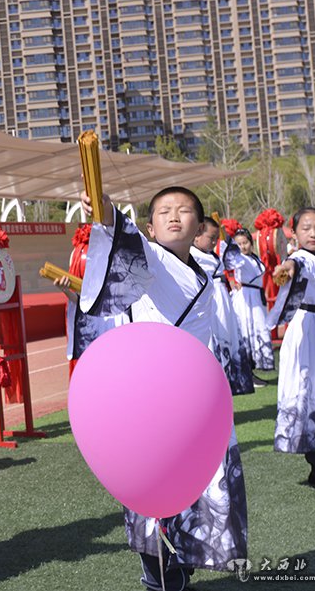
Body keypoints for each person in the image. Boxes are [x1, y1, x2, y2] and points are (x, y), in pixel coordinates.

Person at [77, 187, 247, 591]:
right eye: (164, 211)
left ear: (200, 227)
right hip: (151, 392)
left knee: (196, 481)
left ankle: (181, 567)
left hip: (194, 392)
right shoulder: (149, 258)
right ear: (150, 228)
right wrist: (104, 210)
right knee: (154, 481)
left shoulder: (203, 270)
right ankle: (159, 576)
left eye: (184, 211)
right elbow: (119, 233)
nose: (174, 216)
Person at [269, 207, 315, 489]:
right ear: (294, 232)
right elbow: (294, 265)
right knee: (311, 392)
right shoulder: (301, 258)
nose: (313, 233)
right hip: (309, 330)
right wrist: (287, 269)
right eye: (306, 228)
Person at [192, 217, 255, 395]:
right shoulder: (191, 255)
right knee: (213, 342)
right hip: (209, 302)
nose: (214, 242)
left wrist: (227, 236)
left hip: (223, 301)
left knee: (227, 337)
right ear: (196, 235)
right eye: (211, 238)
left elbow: (236, 261)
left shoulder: (214, 254)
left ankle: (229, 383)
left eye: (216, 238)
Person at [232, 227, 275, 372]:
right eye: (239, 244)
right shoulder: (239, 259)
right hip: (246, 296)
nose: (243, 247)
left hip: (256, 295)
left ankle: (261, 361)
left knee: (260, 325)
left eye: (245, 243)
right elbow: (231, 262)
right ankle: (248, 363)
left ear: (251, 242)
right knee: (246, 327)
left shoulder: (255, 258)